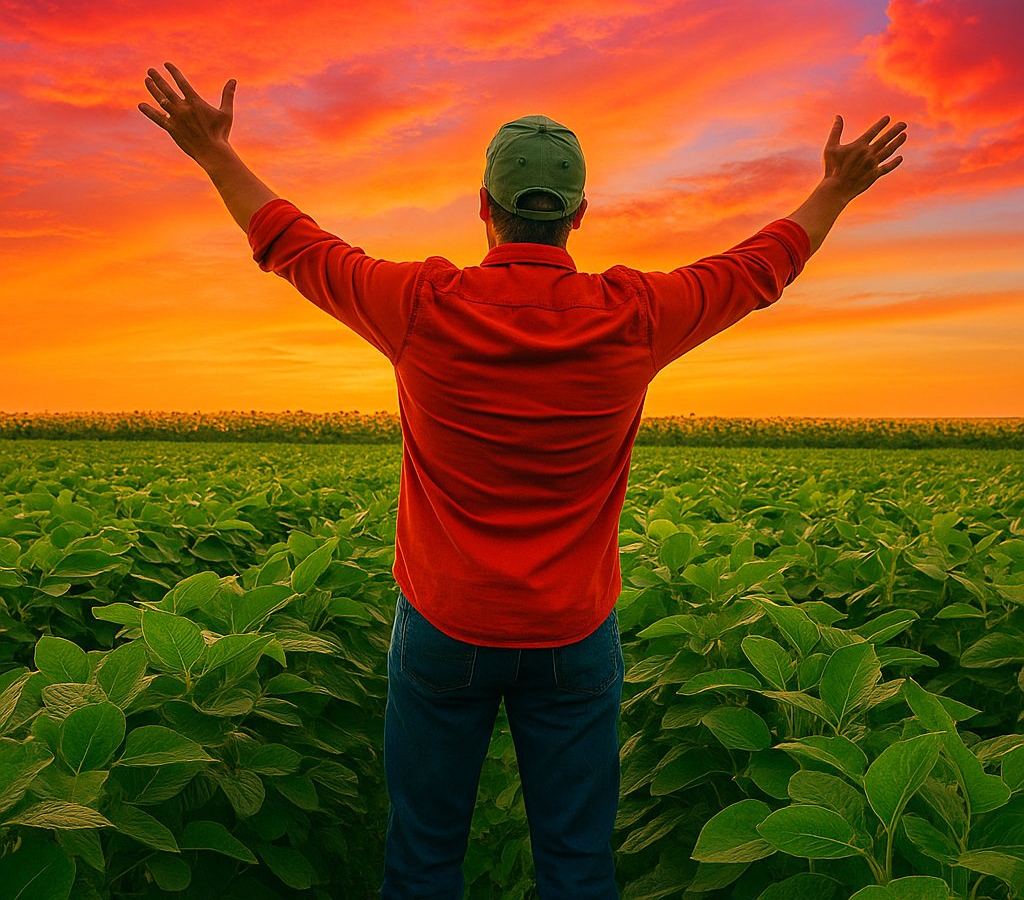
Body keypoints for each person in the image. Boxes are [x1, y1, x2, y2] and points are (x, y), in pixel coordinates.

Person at [139, 63, 907, 899]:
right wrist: (834, 191)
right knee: (577, 864)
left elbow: (296, 243)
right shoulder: (635, 316)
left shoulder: (421, 304)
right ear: (578, 215)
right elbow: (758, 268)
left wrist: (217, 156)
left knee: (424, 855)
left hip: (443, 626)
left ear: (484, 209)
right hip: (573, 636)